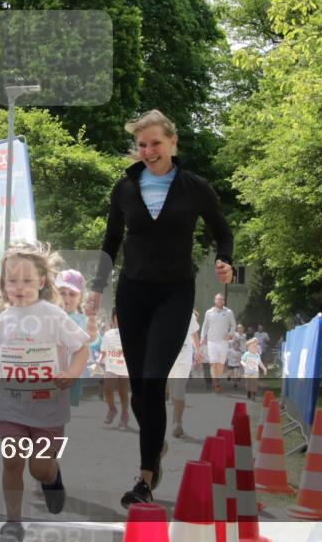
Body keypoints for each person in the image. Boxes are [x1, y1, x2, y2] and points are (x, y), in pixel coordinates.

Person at [86, 110, 233, 507]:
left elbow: (223, 232)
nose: (148, 151)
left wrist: (225, 260)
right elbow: (110, 242)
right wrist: (97, 289)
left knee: (153, 379)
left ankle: (145, 477)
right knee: (139, 388)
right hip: (132, 292)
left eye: (155, 143)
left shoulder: (195, 188)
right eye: (142, 144)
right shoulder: (124, 189)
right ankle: (155, 449)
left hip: (174, 293)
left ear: (173, 142)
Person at [0, 243, 90, 542]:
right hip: (10, 405)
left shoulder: (53, 316)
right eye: (12, 280)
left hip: (48, 408)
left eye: (27, 280)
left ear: (42, 282)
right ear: (3, 283)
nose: (19, 287)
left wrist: (70, 373)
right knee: (12, 461)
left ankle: (52, 477)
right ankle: (13, 522)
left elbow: (81, 348)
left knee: (39, 468)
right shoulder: (2, 321)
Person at [55, 269, 97, 406]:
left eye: (72, 294)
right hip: (47, 372)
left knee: (62, 412)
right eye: (62, 293)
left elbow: (92, 340)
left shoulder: (81, 320)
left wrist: (91, 319)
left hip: (70, 374)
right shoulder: (47, 315)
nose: (66, 298)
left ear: (80, 298)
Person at [169, 309, 201, 438]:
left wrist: (198, 351)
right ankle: (175, 416)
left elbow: (194, 334)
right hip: (168, 358)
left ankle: (178, 423)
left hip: (184, 357)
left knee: (178, 390)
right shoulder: (162, 311)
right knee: (172, 390)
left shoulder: (189, 314)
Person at [97, 308, 130, 429]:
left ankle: (124, 415)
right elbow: (103, 351)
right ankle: (112, 409)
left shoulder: (132, 333)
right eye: (117, 316)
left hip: (125, 369)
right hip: (111, 367)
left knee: (123, 393)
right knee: (108, 389)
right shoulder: (108, 334)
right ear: (113, 319)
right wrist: (98, 361)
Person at [201, 293, 235, 394]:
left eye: (221, 300)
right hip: (212, 341)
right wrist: (203, 338)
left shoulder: (229, 312)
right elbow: (205, 326)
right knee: (213, 363)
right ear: (214, 300)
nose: (219, 301)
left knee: (220, 365)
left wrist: (230, 334)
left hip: (223, 342)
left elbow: (233, 325)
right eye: (218, 299)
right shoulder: (209, 312)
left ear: (223, 301)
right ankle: (216, 383)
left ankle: (216, 379)